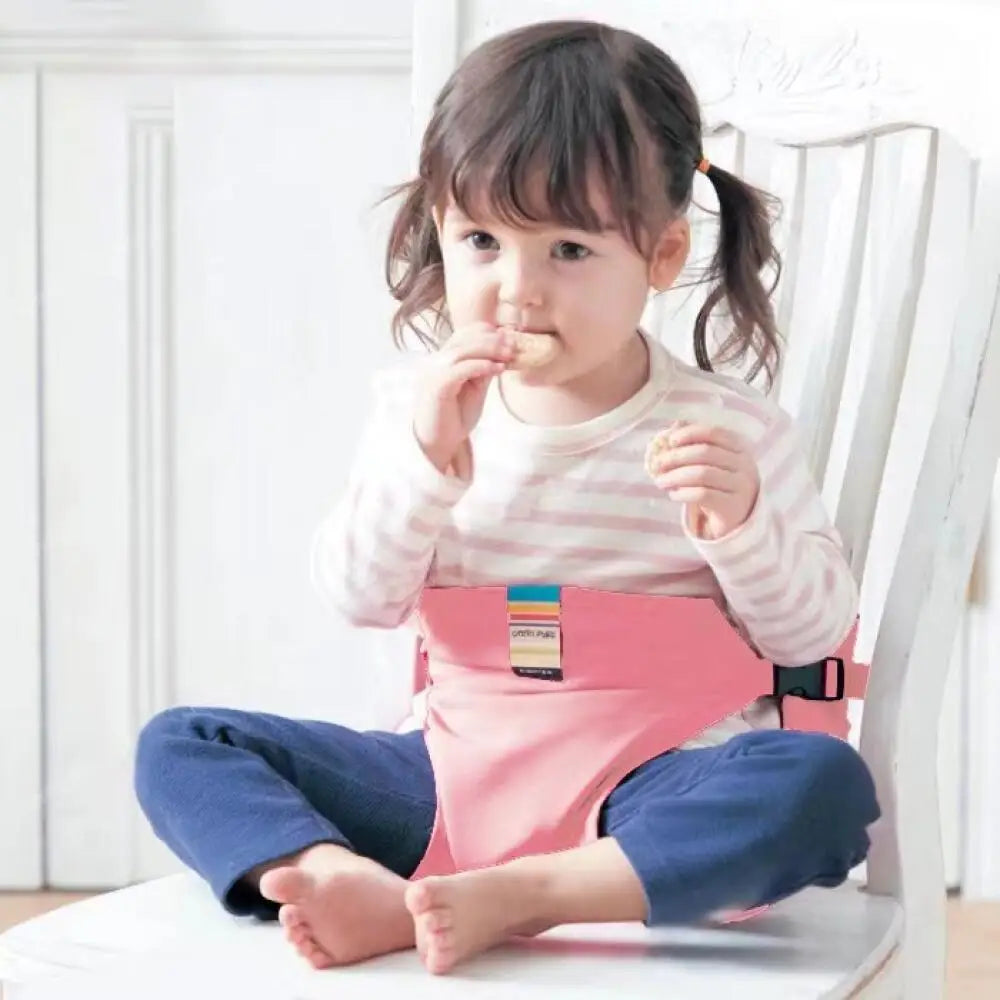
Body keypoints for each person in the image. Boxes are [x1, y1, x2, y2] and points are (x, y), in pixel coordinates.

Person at [135, 19, 880, 977]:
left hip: (648, 789)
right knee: (183, 745)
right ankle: (346, 881)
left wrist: (743, 530)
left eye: (568, 249)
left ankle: (521, 897)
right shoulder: (418, 413)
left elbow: (809, 634)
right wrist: (425, 464)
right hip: (448, 777)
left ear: (661, 256)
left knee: (820, 785)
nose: (516, 290)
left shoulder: (731, 432)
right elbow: (362, 598)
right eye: (482, 240)